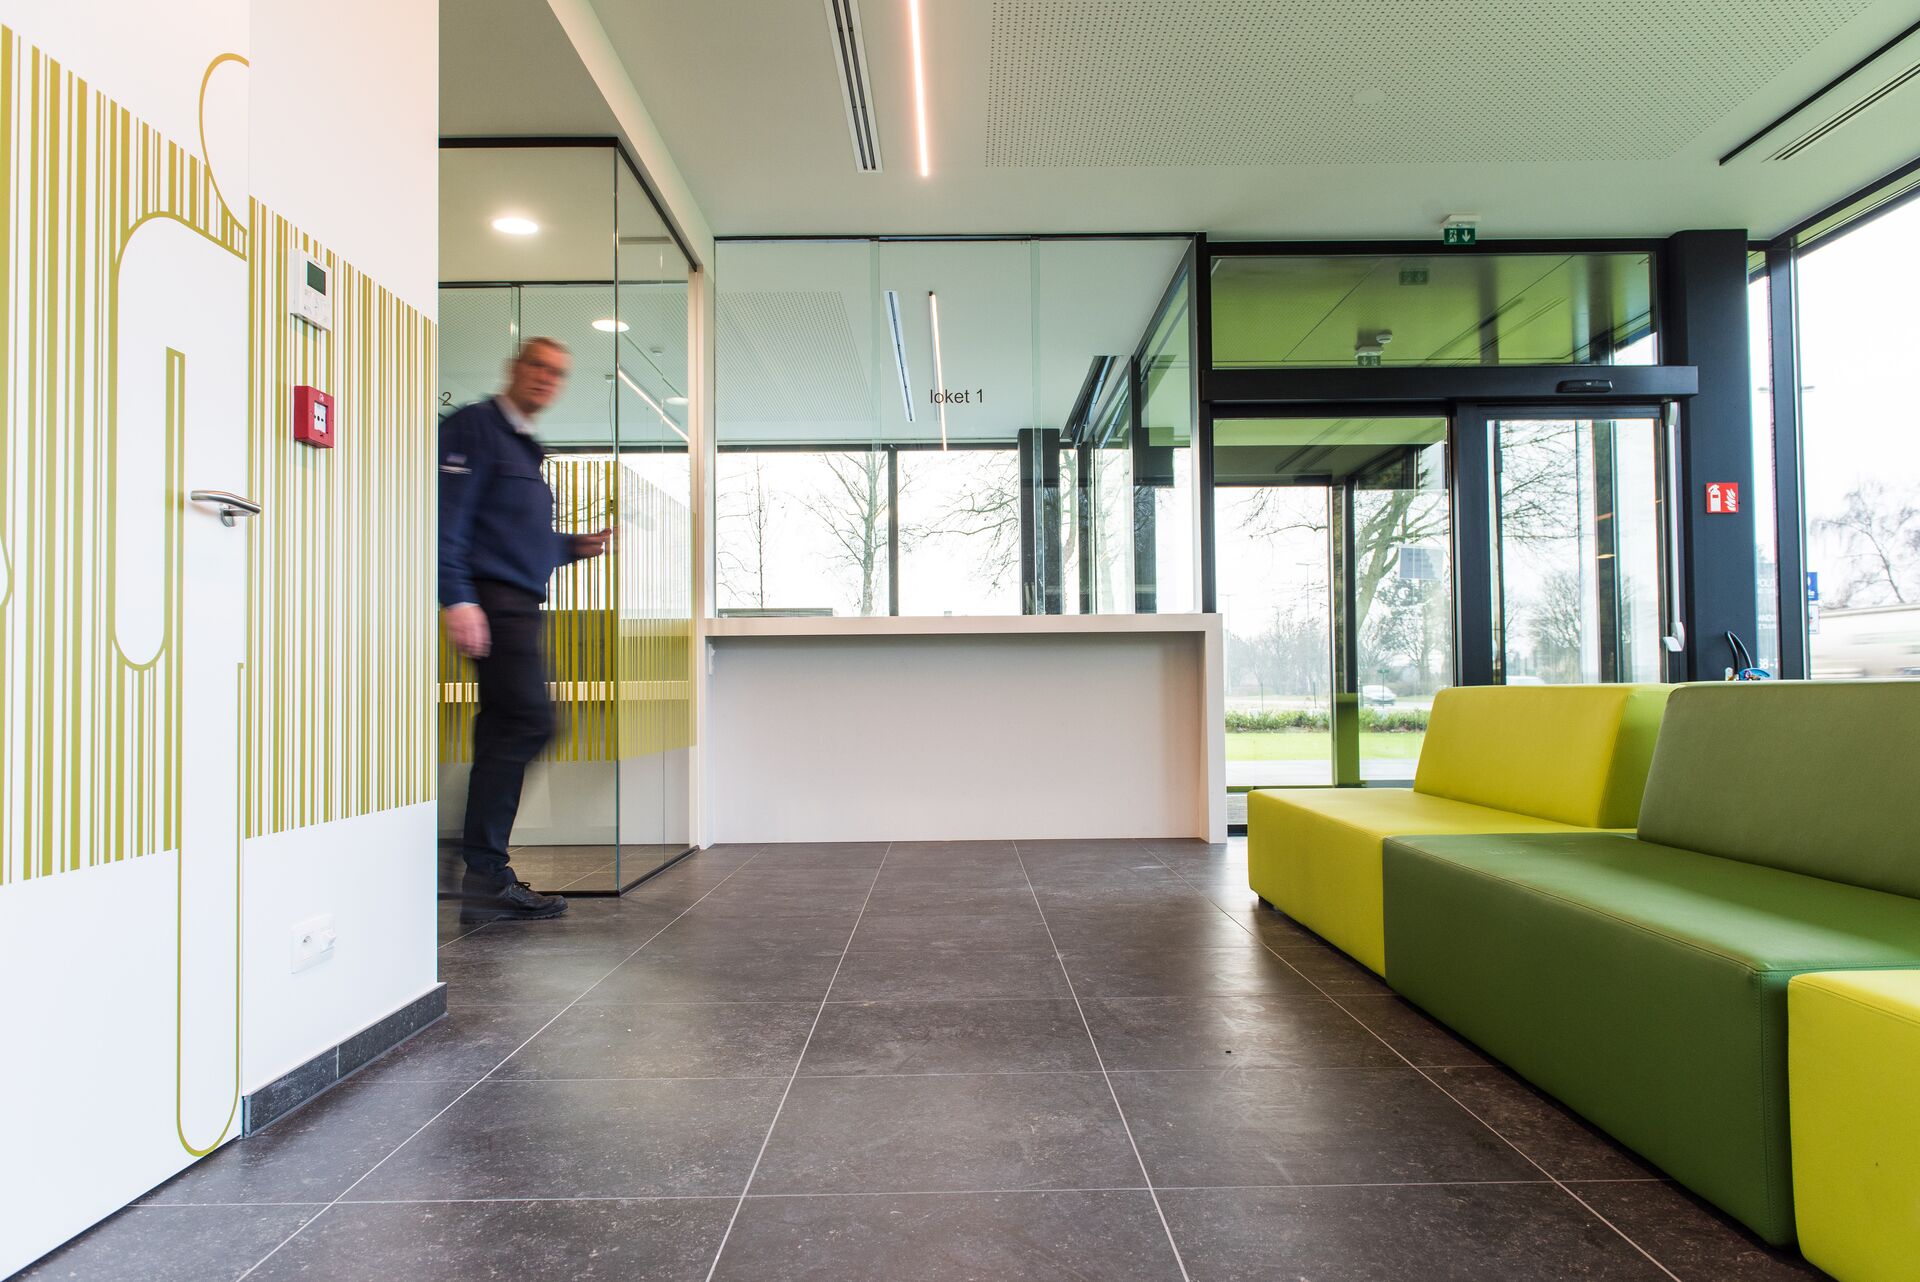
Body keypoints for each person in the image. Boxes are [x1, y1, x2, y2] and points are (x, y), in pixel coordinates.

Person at [439, 337, 611, 923]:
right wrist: (458, 597)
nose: (546, 378)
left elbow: (514, 538)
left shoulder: (524, 447)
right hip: (494, 603)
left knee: (502, 733)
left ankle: (481, 873)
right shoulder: (474, 428)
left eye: (558, 373)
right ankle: (469, 859)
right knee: (532, 722)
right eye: (538, 366)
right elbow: (446, 519)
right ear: (514, 367)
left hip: (518, 602)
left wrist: (570, 547)